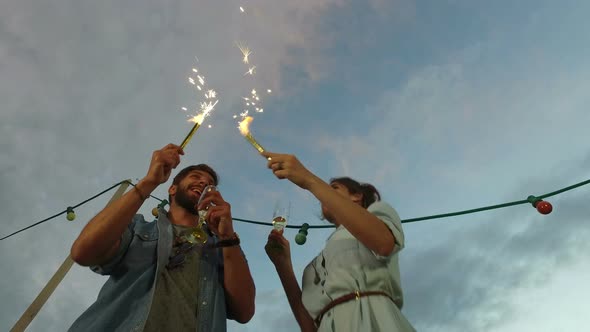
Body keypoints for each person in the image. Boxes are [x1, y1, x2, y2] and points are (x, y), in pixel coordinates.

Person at [68, 144, 255, 332]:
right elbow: (83, 252)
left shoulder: (224, 247)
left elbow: (245, 312)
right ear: (172, 189)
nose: (203, 183)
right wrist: (149, 181)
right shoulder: (137, 227)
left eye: (209, 184)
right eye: (196, 177)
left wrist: (227, 238)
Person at [262, 151, 415, 332]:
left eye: (333, 188)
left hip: (375, 322)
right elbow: (309, 327)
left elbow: (383, 242)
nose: (323, 195)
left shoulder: (377, 213)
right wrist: (283, 265)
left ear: (356, 196)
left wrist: (309, 179)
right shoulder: (316, 264)